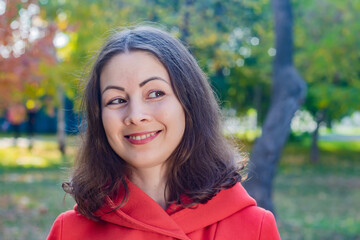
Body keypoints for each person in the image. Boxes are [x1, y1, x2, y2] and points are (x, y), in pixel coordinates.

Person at [47, 26, 280, 240]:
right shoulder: (69, 232)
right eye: (117, 100)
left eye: (155, 93)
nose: (136, 115)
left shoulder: (253, 228)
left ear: (189, 104)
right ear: (99, 119)